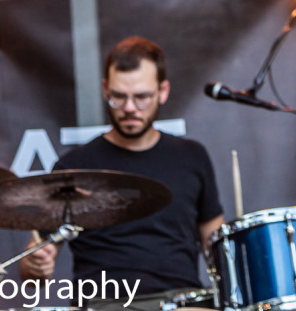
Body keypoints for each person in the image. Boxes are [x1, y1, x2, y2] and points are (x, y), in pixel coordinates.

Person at [21, 37, 224, 302]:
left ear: (163, 91)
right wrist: (35, 265)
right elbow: (31, 271)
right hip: (102, 303)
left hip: (181, 300)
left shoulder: (192, 156)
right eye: (118, 97)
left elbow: (217, 248)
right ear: (105, 89)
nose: (129, 108)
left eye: (141, 97)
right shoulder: (73, 167)